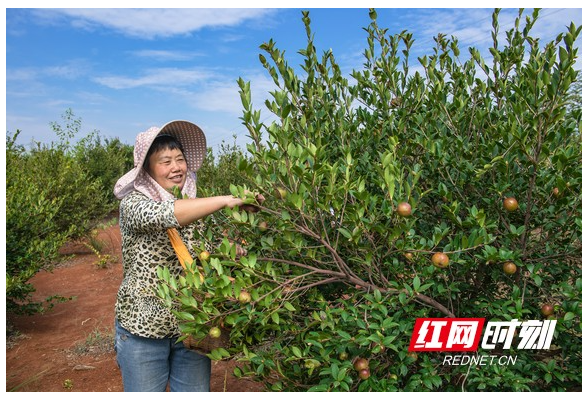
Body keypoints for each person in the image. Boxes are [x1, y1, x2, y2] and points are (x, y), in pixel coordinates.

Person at [112, 120, 249, 392]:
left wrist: (232, 251)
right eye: (165, 161)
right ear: (147, 169)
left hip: (192, 324)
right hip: (144, 329)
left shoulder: (193, 202)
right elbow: (167, 215)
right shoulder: (133, 204)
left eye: (180, 159)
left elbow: (204, 250)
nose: (176, 167)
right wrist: (226, 199)